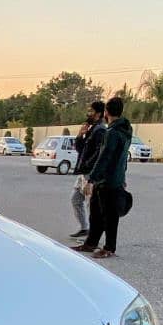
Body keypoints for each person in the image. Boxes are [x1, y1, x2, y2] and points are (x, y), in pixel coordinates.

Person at [72, 96, 132, 259]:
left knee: (109, 216)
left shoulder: (111, 133)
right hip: (114, 179)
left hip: (107, 181)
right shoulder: (125, 130)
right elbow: (122, 157)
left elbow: (104, 157)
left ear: (106, 112)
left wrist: (91, 180)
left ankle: (109, 248)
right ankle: (91, 243)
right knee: (97, 213)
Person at [69, 101, 106, 238]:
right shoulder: (91, 129)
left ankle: (93, 237)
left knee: (92, 205)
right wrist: (80, 135)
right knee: (76, 199)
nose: (88, 114)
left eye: (91, 111)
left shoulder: (100, 130)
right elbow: (81, 150)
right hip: (84, 173)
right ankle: (85, 228)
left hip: (91, 173)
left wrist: (90, 173)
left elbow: (98, 154)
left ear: (98, 114)